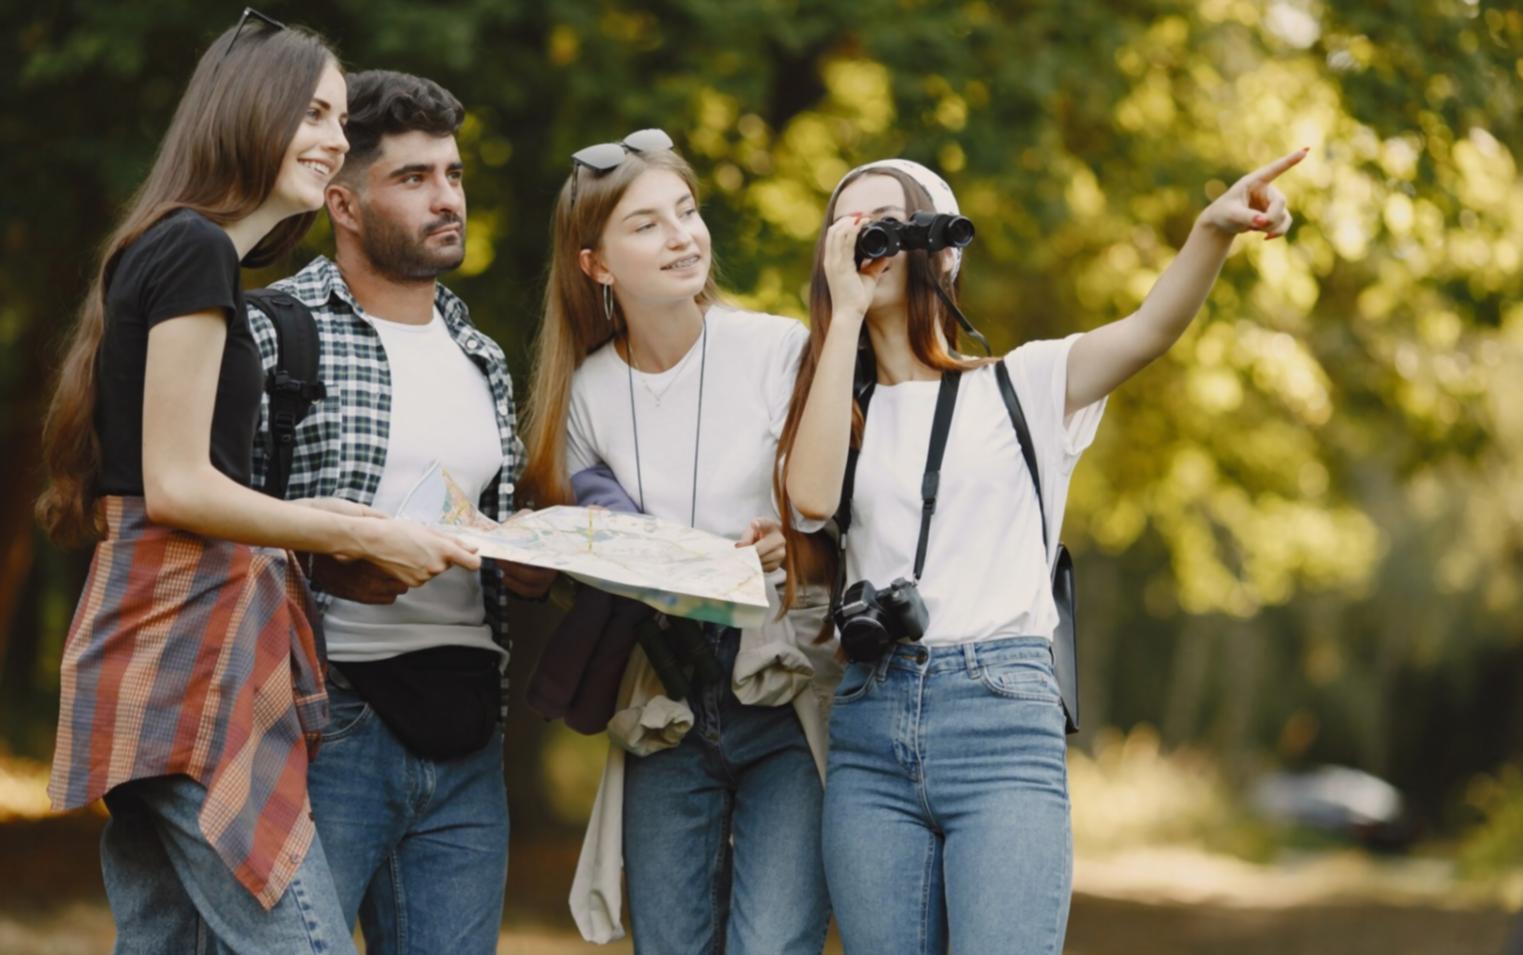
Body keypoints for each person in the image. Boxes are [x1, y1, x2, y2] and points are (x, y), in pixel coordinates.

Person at [779, 152, 1304, 953]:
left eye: (889, 222)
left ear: (940, 251)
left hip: (999, 720)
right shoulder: (834, 406)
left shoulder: (1022, 385)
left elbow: (1150, 329)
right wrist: (843, 315)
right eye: (850, 229)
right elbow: (809, 500)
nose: (870, 243)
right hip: (870, 726)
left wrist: (1209, 231)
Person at [36, 14, 478, 954]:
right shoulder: (193, 249)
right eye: (315, 112)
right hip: (182, 649)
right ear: (250, 110)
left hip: (177, 638)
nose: (334, 138)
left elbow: (187, 475)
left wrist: (321, 516)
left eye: (339, 117)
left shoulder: (185, 250)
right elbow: (177, 485)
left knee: (166, 943)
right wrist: (353, 536)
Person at [246, 68, 554, 954]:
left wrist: (529, 565)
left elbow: (482, 537)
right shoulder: (272, 329)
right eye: (413, 178)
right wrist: (332, 560)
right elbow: (209, 523)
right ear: (342, 203)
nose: (445, 197)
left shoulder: (481, 354)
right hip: (325, 722)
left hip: (468, 727)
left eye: (452, 175)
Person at [517, 130, 833, 952]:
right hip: (664, 706)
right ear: (596, 264)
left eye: (686, 212)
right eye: (647, 224)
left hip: (783, 694)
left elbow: (846, 524)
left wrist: (791, 548)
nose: (683, 236)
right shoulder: (582, 395)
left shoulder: (778, 350)